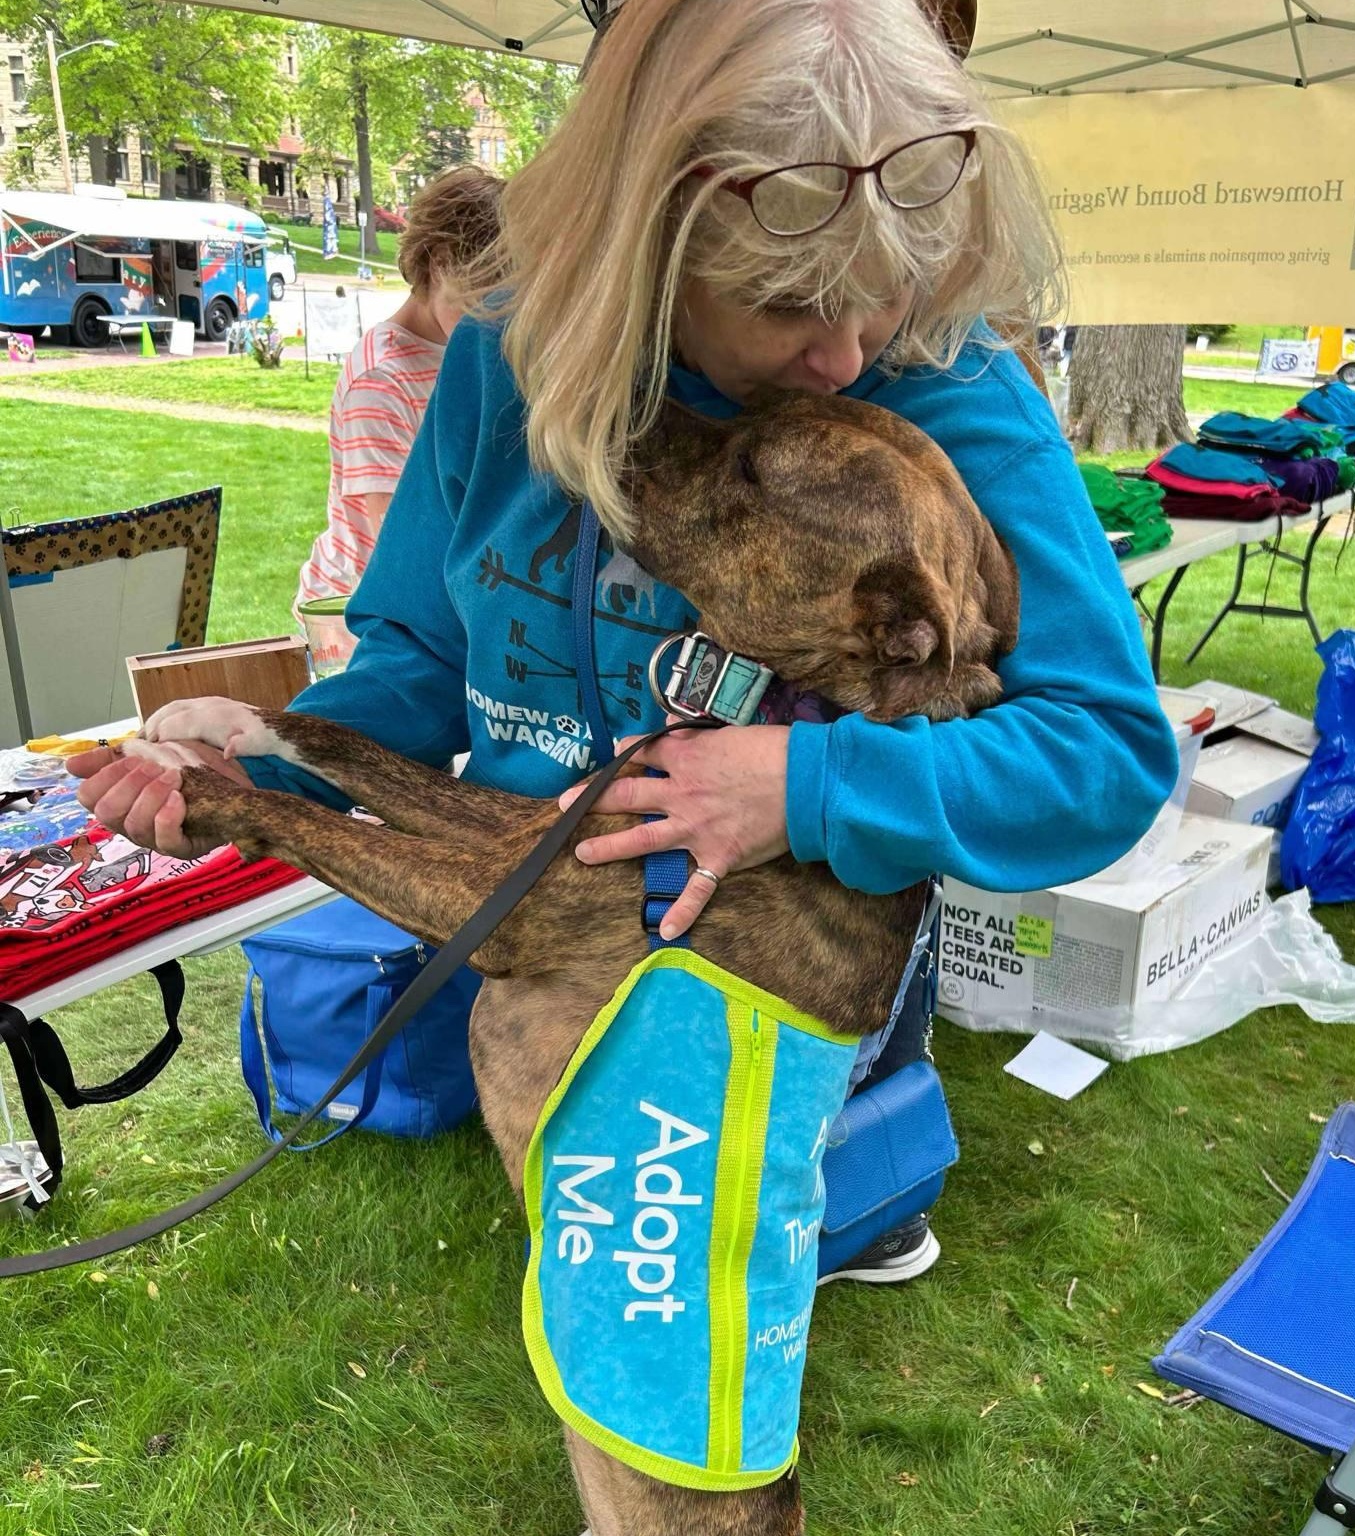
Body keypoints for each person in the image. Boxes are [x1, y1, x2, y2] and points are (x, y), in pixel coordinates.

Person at [77, 0, 1177, 1286]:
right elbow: (429, 659)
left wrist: (808, 788)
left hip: (782, 988)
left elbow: (1103, 752)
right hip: (548, 957)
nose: (846, 354)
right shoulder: (505, 352)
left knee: (707, 1334)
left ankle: (856, 1208)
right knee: (617, 1289)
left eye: (883, 295)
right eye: (787, 303)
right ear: (639, 244)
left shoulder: (949, 384)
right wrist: (260, 770)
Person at [293, 166, 504, 615]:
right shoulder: (381, 380)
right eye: (485, 291)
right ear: (441, 261)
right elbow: (397, 552)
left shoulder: (464, 351)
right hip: (361, 616)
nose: (495, 315)